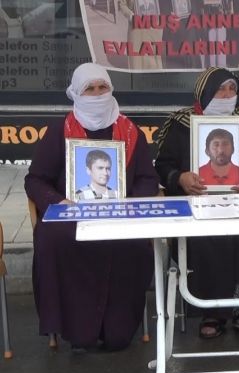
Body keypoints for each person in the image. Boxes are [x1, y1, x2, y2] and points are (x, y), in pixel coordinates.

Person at [24, 63, 160, 351]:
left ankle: (116, 329)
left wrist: (131, 203)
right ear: (76, 93)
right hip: (72, 215)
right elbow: (35, 179)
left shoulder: (130, 132)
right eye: (90, 89)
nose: (97, 94)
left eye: (103, 87)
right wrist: (57, 201)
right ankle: (75, 329)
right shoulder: (60, 131)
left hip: (119, 216)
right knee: (53, 239)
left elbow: (148, 179)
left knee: (133, 245)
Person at [154, 67, 239, 338]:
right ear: (205, 91)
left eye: (232, 89)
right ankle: (211, 310)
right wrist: (180, 178)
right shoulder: (181, 124)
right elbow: (163, 166)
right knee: (206, 238)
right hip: (196, 205)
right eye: (221, 88)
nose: (227, 94)